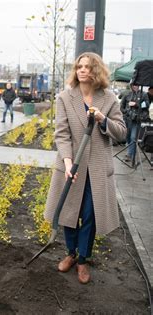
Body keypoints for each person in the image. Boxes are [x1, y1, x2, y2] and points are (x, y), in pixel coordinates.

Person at [44, 52, 126, 284]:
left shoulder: (109, 99)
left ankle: (82, 260)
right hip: (72, 165)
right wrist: (68, 162)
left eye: (88, 67)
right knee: (70, 212)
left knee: (89, 215)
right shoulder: (64, 98)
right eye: (79, 66)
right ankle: (70, 253)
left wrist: (102, 119)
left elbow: (121, 132)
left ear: (96, 71)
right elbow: (61, 133)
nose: (82, 70)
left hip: (98, 169)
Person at [120, 82, 150, 162]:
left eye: (136, 85)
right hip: (127, 119)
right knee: (127, 137)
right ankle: (132, 151)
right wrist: (125, 111)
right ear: (131, 86)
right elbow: (121, 106)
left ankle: (129, 155)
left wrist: (137, 105)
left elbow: (147, 105)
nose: (135, 86)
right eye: (133, 85)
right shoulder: (127, 94)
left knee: (133, 137)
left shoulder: (143, 94)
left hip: (137, 120)